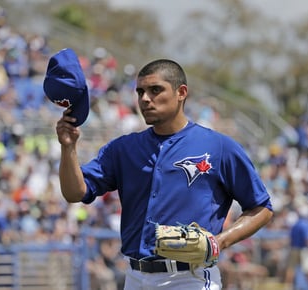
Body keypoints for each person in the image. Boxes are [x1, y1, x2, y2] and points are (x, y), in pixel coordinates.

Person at [54, 58, 273, 289]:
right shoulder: (123, 149)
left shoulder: (218, 147)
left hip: (190, 278)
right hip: (135, 276)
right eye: (140, 92)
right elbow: (74, 193)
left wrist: (219, 242)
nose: (145, 99)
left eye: (155, 90)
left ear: (181, 93)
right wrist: (68, 147)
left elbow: (261, 208)